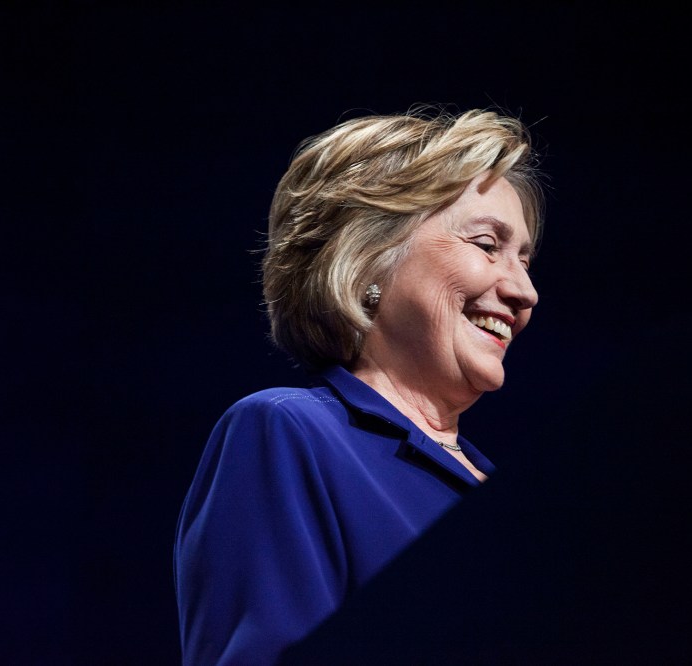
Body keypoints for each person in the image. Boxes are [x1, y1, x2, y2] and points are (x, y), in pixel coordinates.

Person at [173, 107, 543, 664]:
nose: (524, 291)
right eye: (488, 245)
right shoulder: (288, 434)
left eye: (525, 259)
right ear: (369, 260)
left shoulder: (516, 499)